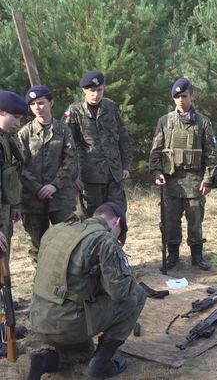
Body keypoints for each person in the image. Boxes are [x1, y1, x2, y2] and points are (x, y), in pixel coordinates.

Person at [27, 202, 146, 380]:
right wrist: (122, 266)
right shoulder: (104, 240)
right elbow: (120, 293)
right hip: (68, 324)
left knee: (85, 353)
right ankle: (101, 365)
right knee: (136, 295)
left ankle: (44, 361)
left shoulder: (58, 230)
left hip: (38, 319)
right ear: (117, 222)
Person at [149, 77, 217, 271]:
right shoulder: (165, 122)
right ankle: (173, 255)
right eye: (177, 97)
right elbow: (155, 152)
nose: (181, 100)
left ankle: (197, 256)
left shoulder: (203, 123)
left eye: (184, 96)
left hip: (194, 181)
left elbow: (211, 154)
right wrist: (157, 173)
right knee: (170, 221)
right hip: (171, 181)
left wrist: (208, 180)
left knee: (195, 220)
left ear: (191, 96)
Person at [18, 85, 78, 262]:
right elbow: (20, 166)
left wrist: (54, 185)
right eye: (33, 104)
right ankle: (42, 283)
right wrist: (37, 188)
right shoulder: (25, 134)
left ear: (51, 103)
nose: (37, 107)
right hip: (33, 200)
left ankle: (68, 280)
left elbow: (71, 161)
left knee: (67, 241)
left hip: (60, 198)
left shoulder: (63, 131)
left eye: (41, 103)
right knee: (39, 244)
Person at [62, 70, 132, 221]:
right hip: (90, 177)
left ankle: (116, 244)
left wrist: (126, 166)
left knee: (117, 215)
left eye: (99, 90)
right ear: (84, 91)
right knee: (92, 218)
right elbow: (67, 146)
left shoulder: (110, 107)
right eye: (91, 91)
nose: (95, 94)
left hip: (114, 173)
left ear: (103, 88)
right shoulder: (74, 111)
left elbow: (123, 138)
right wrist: (74, 175)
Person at [0, 91, 28, 256]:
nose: (18, 123)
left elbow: (10, 175)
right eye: (15, 117)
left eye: (20, 119)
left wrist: (14, 204)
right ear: (1, 111)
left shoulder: (6, 138)